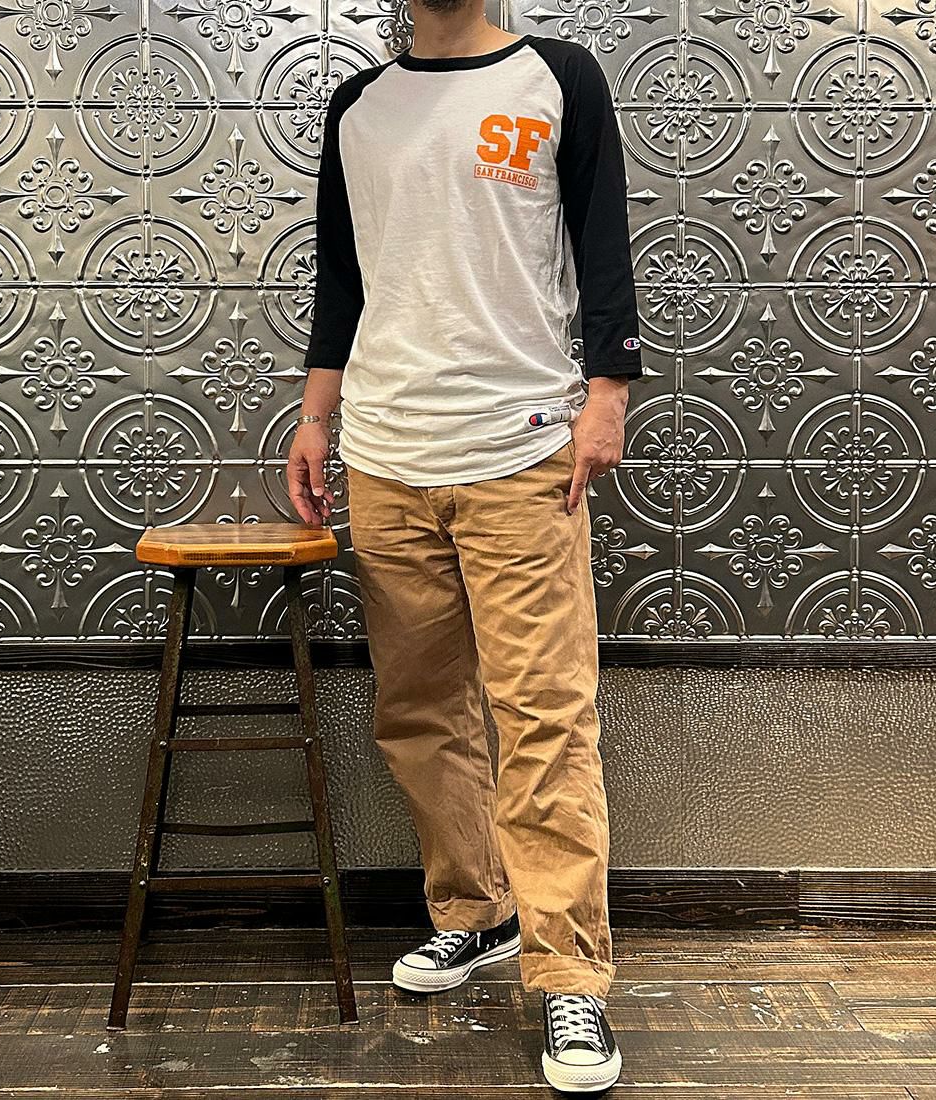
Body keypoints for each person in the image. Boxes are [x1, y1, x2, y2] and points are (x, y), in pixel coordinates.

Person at [287, 1, 642, 1091]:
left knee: (544, 715)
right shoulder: (357, 107)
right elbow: (343, 278)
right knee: (419, 711)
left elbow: (602, 246)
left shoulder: (560, 78)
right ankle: (475, 912)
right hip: (386, 454)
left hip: (521, 452)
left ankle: (568, 971)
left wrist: (608, 393)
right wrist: (314, 416)